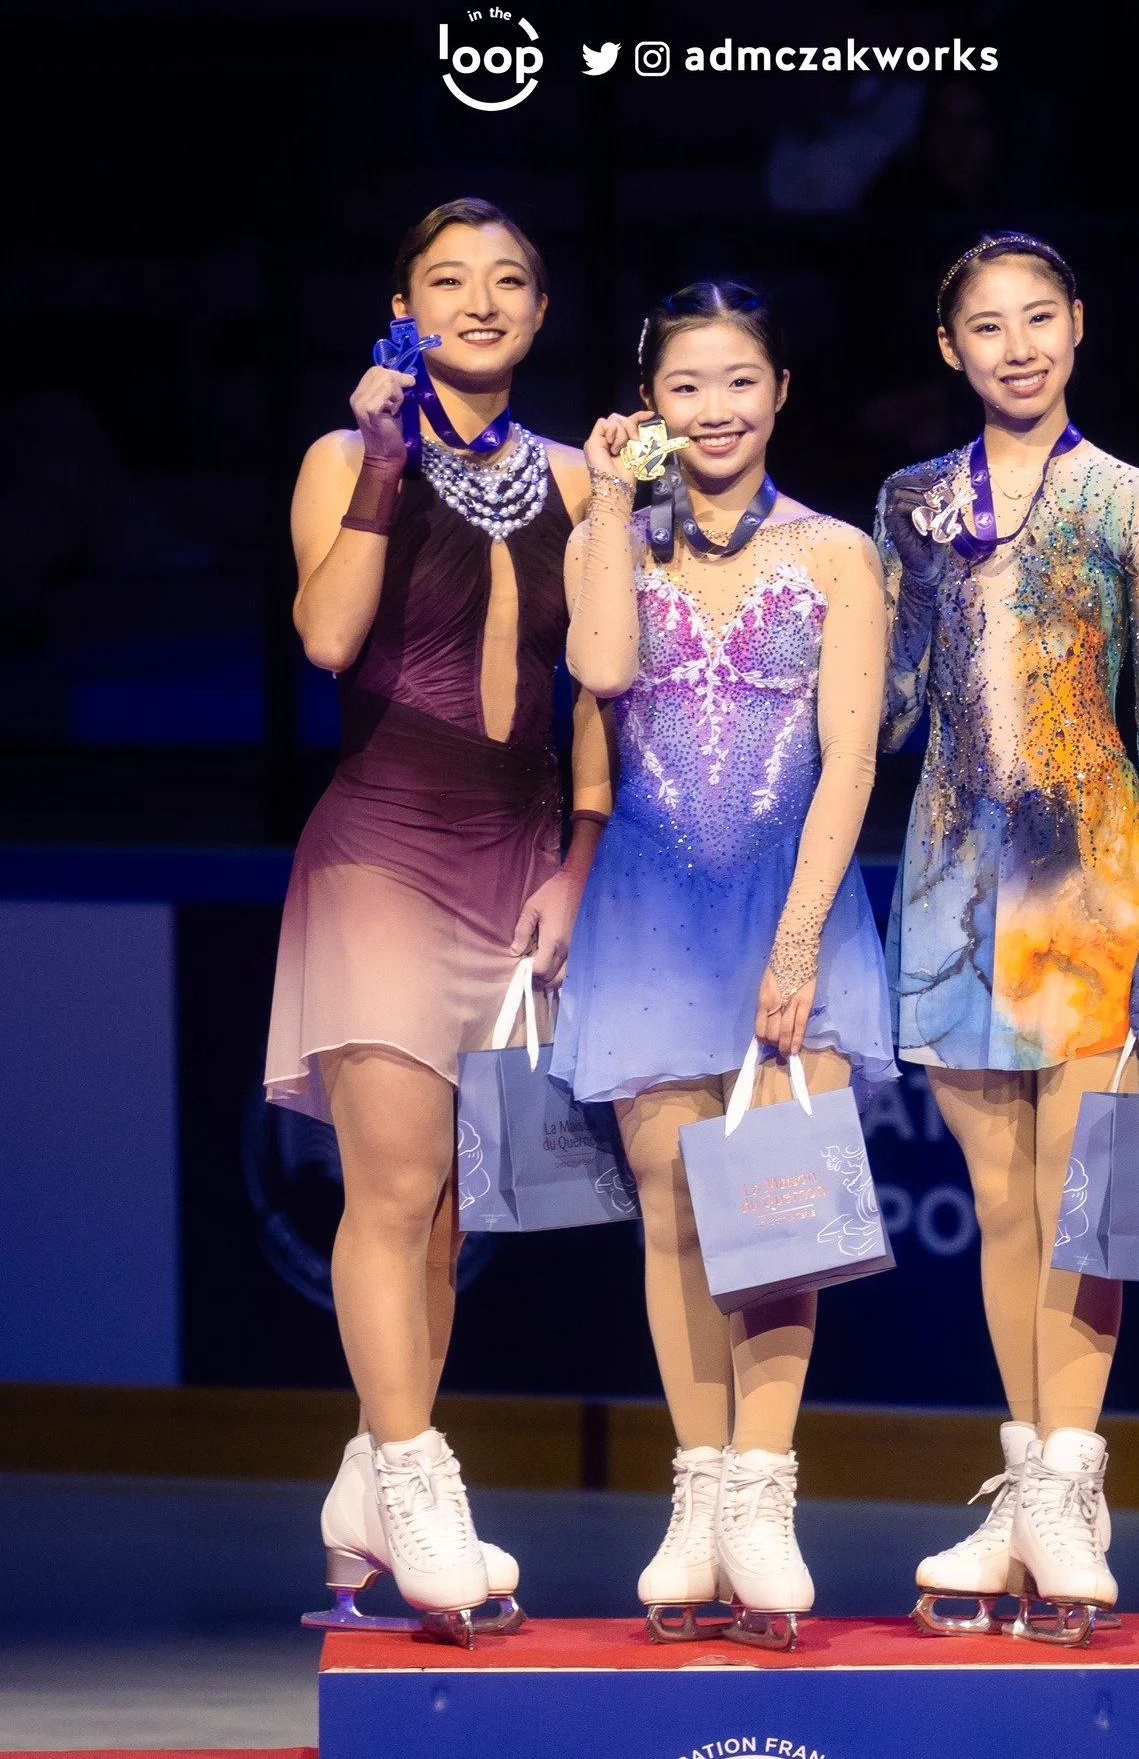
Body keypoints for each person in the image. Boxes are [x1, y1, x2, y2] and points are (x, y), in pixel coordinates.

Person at [264, 198, 611, 1638]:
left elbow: (603, 688)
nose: (482, 301)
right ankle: (416, 1481)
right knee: (392, 1191)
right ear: (403, 307)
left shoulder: (584, 481)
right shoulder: (349, 457)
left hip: (516, 854)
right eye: (449, 281)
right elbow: (330, 639)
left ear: (538, 313)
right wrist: (387, 465)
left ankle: (367, 1479)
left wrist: (578, 860)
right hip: (383, 851)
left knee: (448, 1210)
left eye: (509, 281)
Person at [553, 283, 895, 1647]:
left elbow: (854, 756)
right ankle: (697, 1501)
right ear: (651, 406)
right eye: (687, 387)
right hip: (645, 906)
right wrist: (592, 508)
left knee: (777, 1215)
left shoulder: (836, 556)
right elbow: (601, 661)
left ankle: (764, 1492)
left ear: (781, 391)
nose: (716, 411)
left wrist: (799, 937)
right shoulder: (620, 541)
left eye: (739, 381)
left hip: (785, 901)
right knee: (673, 1213)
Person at [878, 232, 1139, 1644]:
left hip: (1089, 872)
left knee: (1084, 1196)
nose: (1017, 345)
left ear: (1078, 327)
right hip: (947, 874)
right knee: (1003, 1200)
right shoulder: (910, 505)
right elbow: (884, 713)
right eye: (986, 326)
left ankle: (1071, 1481)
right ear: (950, 349)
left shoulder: (1135, 505)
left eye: (1040, 318)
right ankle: (1028, 1481)